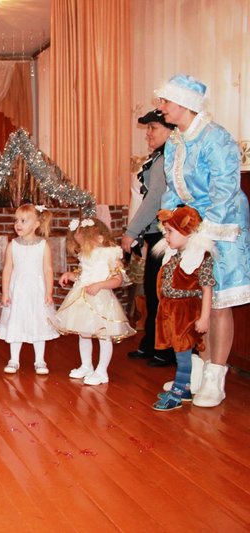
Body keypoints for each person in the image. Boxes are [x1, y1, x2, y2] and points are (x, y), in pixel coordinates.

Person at [156, 74, 250, 407]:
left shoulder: (216, 138)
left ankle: (215, 377)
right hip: (189, 227)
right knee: (195, 303)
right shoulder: (175, 141)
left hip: (220, 227)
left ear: (185, 104)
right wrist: (171, 224)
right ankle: (196, 371)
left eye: (166, 101)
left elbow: (225, 190)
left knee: (218, 301)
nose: (161, 107)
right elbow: (172, 189)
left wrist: (202, 231)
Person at [52, 218, 136, 385]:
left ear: (99, 238)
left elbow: (118, 280)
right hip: (83, 299)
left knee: (104, 335)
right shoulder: (85, 255)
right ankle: (86, 365)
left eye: (84, 242)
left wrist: (100, 285)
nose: (81, 246)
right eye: (79, 243)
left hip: (101, 300)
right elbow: (84, 275)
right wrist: (70, 275)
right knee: (84, 333)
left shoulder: (110, 254)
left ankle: (102, 371)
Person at [123, 109, 176, 367]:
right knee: (153, 291)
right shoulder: (159, 158)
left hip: (167, 235)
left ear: (170, 130)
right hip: (157, 233)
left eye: (153, 128)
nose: (148, 134)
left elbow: (154, 199)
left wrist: (131, 232)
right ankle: (152, 343)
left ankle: (165, 349)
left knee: (161, 293)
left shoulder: (167, 158)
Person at [151, 207, 215, 411]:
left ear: (186, 231)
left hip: (186, 312)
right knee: (178, 349)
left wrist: (204, 317)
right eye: (165, 231)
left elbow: (207, 289)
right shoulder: (174, 254)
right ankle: (185, 388)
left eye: (170, 231)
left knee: (183, 352)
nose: (166, 236)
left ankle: (178, 393)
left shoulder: (200, 257)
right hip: (170, 310)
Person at [0, 204, 59, 374]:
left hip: (37, 292)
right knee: (16, 322)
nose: (18, 224)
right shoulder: (13, 245)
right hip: (18, 292)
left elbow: (48, 269)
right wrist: (5, 292)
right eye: (16, 220)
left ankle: (40, 360)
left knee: (39, 323)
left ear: (36, 224)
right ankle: (14, 359)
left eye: (23, 221)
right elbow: (7, 269)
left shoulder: (43, 245)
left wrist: (49, 292)